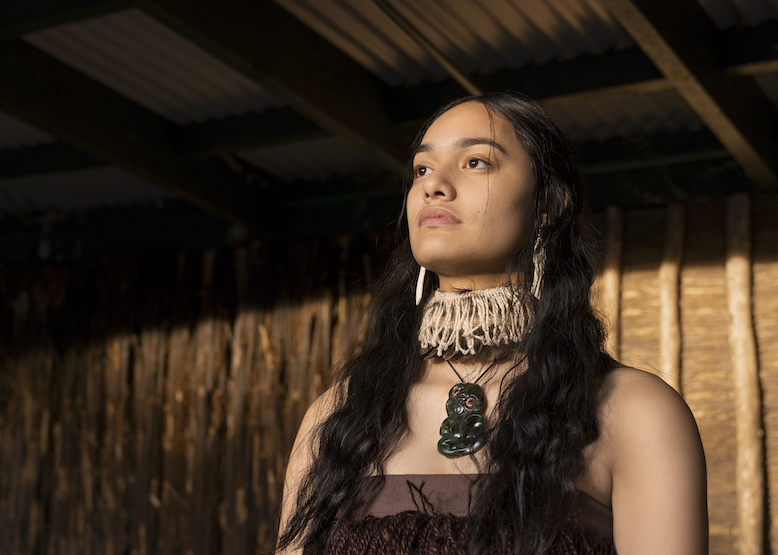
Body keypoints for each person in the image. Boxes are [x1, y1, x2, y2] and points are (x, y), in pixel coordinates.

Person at [276, 92, 708, 555]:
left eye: (475, 162)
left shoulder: (634, 413)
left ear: (550, 204)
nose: (433, 185)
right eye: (421, 169)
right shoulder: (337, 417)